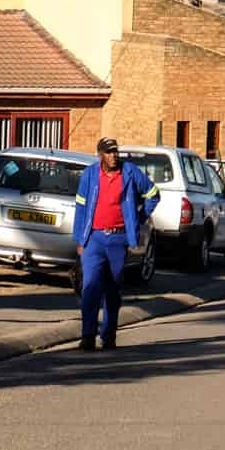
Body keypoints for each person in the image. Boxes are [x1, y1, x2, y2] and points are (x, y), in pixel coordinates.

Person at [72, 138, 161, 351]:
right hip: (94, 239)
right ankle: (87, 336)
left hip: (118, 240)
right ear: (100, 155)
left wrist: (136, 220)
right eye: (109, 152)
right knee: (90, 287)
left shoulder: (130, 172)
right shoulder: (90, 175)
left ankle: (109, 336)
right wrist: (79, 240)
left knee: (113, 289)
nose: (114, 156)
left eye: (115, 152)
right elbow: (80, 208)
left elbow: (153, 194)